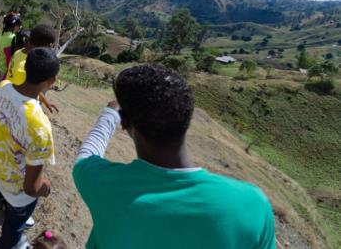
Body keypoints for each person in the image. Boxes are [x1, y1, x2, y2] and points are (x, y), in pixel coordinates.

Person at [73, 64, 276, 249]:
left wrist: (110, 113)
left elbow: (87, 154)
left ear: (125, 124)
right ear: (187, 118)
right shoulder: (253, 204)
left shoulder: (103, 185)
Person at [0, 48, 59, 249]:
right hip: (18, 195)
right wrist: (46, 188)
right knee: (14, 226)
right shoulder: (40, 127)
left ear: (25, 67)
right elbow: (31, 187)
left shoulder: (3, 87)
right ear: (51, 81)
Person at [7, 25, 59, 114]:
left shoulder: (19, 53)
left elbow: (33, 87)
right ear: (46, 46)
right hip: (18, 108)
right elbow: (32, 89)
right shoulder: (28, 66)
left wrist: (46, 102)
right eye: (51, 46)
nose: (51, 48)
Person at [0, 12, 21, 83]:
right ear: (14, 25)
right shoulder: (13, 37)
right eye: (18, 25)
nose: (19, 27)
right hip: (7, 69)